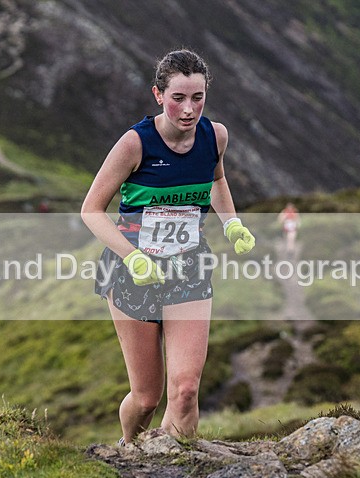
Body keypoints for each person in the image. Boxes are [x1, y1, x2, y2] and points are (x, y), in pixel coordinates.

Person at [81, 49, 255, 444]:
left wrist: (233, 225)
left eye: (197, 97)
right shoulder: (135, 144)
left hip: (188, 268)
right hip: (130, 273)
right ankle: (130, 449)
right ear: (158, 95)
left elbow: (216, 180)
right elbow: (91, 210)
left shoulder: (216, 136)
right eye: (178, 98)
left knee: (186, 391)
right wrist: (133, 256)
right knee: (146, 398)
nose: (189, 109)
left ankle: (175, 468)